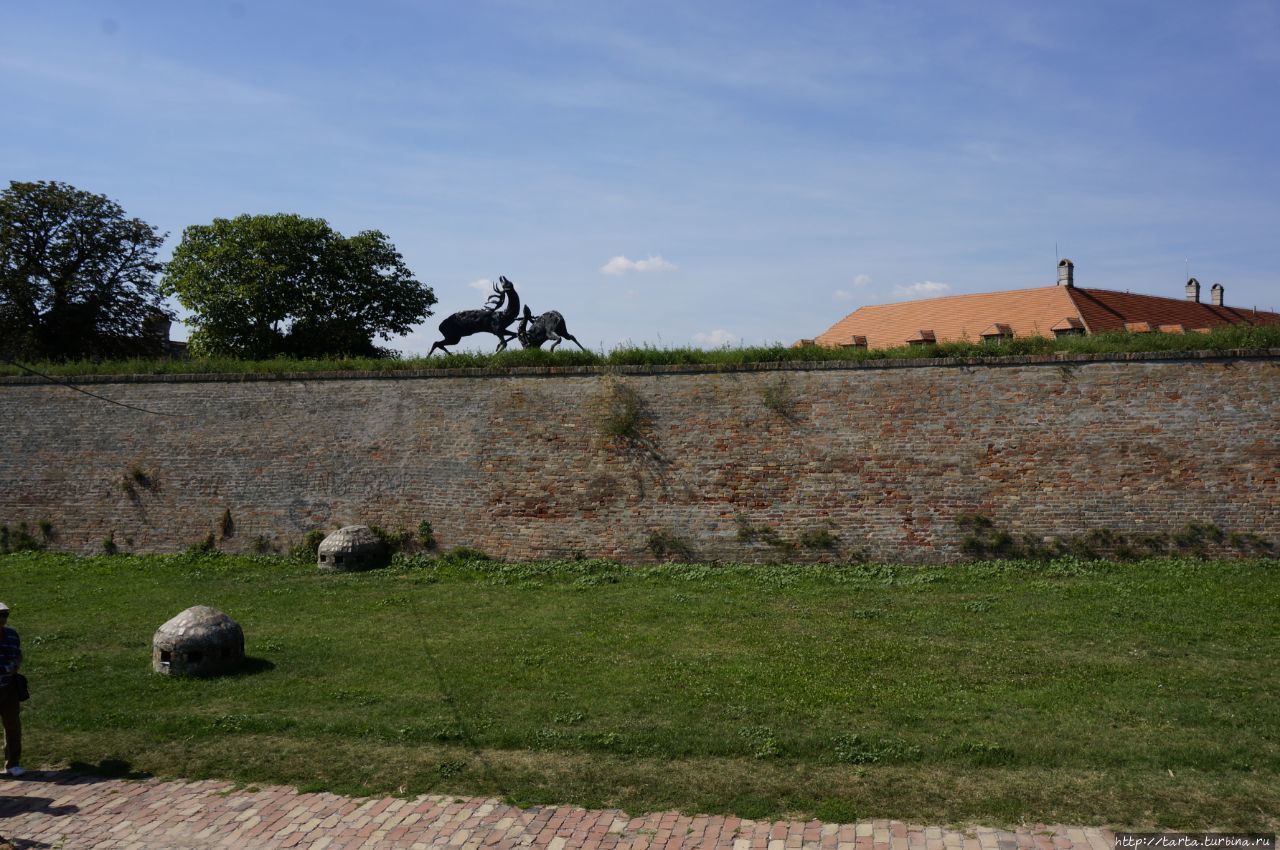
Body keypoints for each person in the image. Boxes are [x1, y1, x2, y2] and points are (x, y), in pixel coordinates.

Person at [0, 602, 23, 777]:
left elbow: (18, 655)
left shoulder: (12, 635)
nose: (2, 618)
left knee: (13, 726)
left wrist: (15, 665)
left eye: (5, 614)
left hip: (8, 688)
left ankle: (12, 763)